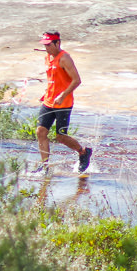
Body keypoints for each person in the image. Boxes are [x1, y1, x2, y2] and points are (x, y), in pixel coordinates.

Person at [34, 31, 92, 173]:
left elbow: (77, 80)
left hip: (63, 103)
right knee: (41, 132)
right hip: (49, 101)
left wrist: (62, 95)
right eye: (45, 45)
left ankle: (83, 152)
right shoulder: (47, 58)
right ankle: (45, 167)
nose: (47, 48)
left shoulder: (65, 58)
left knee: (60, 136)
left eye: (49, 45)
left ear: (57, 43)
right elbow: (54, 78)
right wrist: (47, 93)